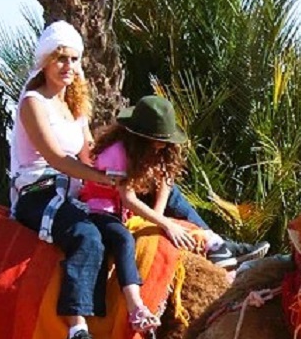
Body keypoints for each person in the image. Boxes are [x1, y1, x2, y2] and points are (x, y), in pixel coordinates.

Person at [8, 21, 158, 339]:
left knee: (118, 233)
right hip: (38, 192)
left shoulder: (76, 108)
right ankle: (77, 333)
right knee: (86, 236)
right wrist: (105, 181)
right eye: (61, 59)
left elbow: (89, 153)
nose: (69, 67)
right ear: (44, 61)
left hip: (75, 193)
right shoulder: (33, 103)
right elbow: (56, 158)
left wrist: (130, 168)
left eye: (75, 60)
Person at [79, 95, 264, 270]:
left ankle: (218, 244)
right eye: (159, 140)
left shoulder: (161, 151)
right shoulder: (119, 153)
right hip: (117, 205)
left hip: (142, 194)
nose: (164, 145)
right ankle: (221, 246)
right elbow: (127, 198)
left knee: (173, 194)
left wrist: (158, 216)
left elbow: (166, 179)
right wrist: (165, 224)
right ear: (142, 138)